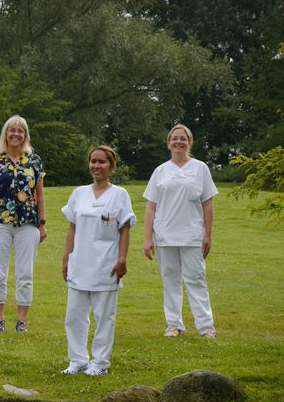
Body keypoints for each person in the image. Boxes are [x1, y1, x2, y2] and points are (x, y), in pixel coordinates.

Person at [61, 145, 135, 376]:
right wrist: (66, 257)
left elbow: (124, 229)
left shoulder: (120, 194)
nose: (96, 166)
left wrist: (122, 259)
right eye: (93, 161)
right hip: (79, 262)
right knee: (74, 315)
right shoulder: (79, 193)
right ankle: (78, 360)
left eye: (102, 162)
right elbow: (72, 227)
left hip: (106, 263)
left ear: (111, 166)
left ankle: (100, 363)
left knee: (104, 316)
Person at [143, 124, 218, 338]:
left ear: (189, 141)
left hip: (192, 234)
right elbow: (151, 206)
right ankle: (173, 325)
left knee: (196, 280)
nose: (178, 142)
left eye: (182, 138)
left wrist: (208, 235)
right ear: (169, 143)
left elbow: (208, 204)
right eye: (174, 138)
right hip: (165, 235)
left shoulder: (200, 168)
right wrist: (148, 238)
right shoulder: (160, 171)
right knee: (170, 280)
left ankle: (206, 328)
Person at [0, 115, 47, 334]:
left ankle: (21, 320)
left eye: (20, 131)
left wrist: (42, 223)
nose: (16, 134)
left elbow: (40, 194)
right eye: (12, 130)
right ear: (5, 134)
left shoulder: (34, 161)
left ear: (25, 135)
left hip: (28, 223)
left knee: (25, 273)